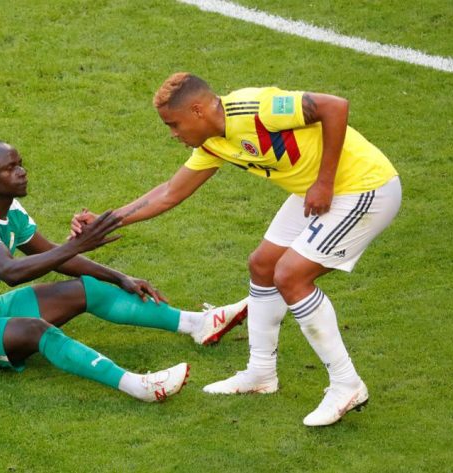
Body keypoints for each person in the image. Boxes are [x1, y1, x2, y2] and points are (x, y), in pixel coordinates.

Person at [70, 73, 401, 424]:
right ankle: (261, 374)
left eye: (174, 124)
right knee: (263, 265)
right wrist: (105, 221)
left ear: (197, 110)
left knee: (291, 275)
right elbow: (171, 192)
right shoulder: (213, 142)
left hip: (365, 187)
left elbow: (334, 107)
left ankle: (346, 383)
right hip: (319, 191)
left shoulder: (256, 108)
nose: (173, 134)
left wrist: (324, 181)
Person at [0, 136, 248, 402]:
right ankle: (138, 386)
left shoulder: (11, 211)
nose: (21, 172)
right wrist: (77, 244)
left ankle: (197, 324)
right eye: (10, 168)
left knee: (88, 287)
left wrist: (119, 277)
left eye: (20, 164)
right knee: (37, 331)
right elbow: (11, 272)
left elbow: (52, 254)